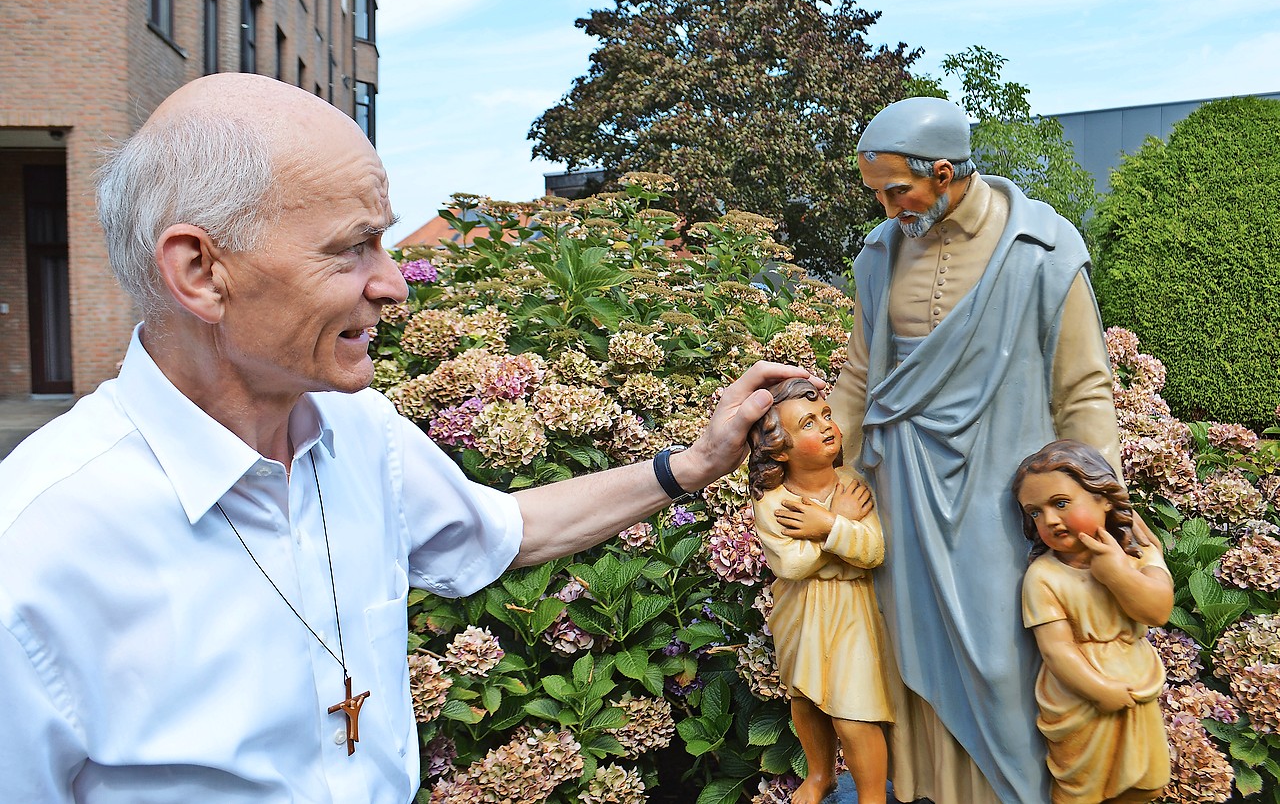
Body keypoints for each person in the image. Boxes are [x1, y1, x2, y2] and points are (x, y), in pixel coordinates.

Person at [0, 73, 818, 803]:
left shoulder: (360, 430)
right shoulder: (36, 548)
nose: (392, 283)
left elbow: (506, 529)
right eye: (352, 248)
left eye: (384, 241)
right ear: (201, 272)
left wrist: (696, 463)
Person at [827, 96, 1126, 803]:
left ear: (944, 170)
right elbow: (861, 374)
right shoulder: (881, 251)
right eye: (877, 191)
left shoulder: (1044, 248)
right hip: (901, 487)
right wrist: (823, 469)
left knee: (1004, 658)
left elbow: (1084, 387)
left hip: (1006, 496)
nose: (886, 204)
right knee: (907, 657)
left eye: (896, 188)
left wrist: (1103, 507)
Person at [746, 378, 893, 804]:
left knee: (854, 711)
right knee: (805, 698)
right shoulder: (772, 500)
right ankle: (820, 775)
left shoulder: (853, 485)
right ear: (780, 449)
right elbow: (789, 564)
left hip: (853, 609)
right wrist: (837, 526)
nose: (827, 425)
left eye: (827, 415)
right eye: (808, 423)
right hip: (799, 611)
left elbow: (873, 551)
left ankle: (871, 796)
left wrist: (827, 526)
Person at [1013, 439, 1172, 803]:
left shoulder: (1139, 553)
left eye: (1061, 503)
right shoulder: (1043, 577)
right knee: (1081, 789)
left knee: (1147, 784)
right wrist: (1099, 690)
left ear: (1104, 497)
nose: (1049, 520)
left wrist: (1116, 573)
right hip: (1079, 699)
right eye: (1035, 513)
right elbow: (1057, 651)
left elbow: (1158, 610)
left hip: (1136, 685)